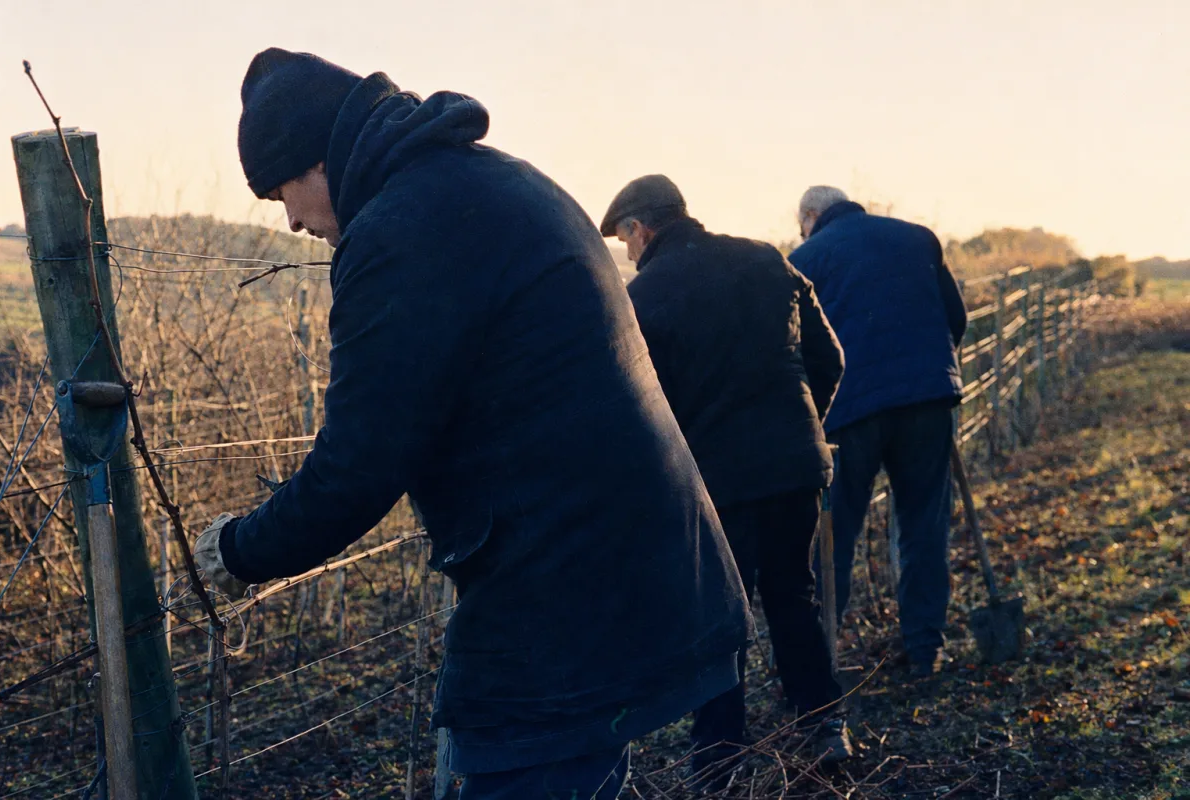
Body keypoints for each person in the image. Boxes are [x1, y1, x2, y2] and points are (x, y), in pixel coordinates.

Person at [192, 49, 753, 800]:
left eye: (281, 193)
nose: (291, 221)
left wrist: (238, 549)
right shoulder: (495, 180)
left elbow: (359, 466)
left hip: (560, 609)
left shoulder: (400, 231)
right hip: (622, 575)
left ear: (317, 157)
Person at [600, 175, 851, 777]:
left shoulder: (644, 297)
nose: (628, 253)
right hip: (796, 467)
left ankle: (719, 758)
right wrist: (799, 427)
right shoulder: (767, 259)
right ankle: (825, 728)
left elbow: (639, 403)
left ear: (641, 228)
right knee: (793, 595)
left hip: (716, 484)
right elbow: (829, 358)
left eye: (626, 240)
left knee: (718, 613)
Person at [788, 185, 968, 678]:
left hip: (850, 411)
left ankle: (823, 659)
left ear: (810, 215)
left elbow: (799, 348)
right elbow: (956, 319)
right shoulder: (918, 239)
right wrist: (931, 375)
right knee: (924, 525)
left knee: (835, 535)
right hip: (927, 403)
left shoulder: (804, 257)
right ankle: (925, 648)